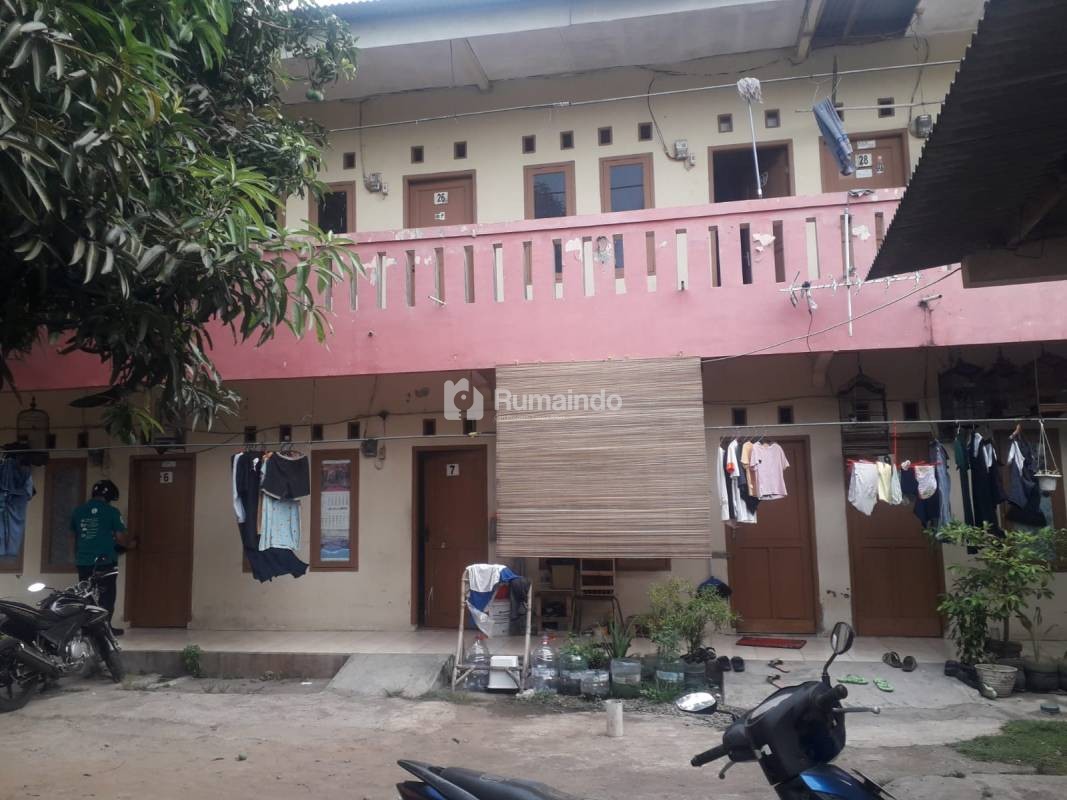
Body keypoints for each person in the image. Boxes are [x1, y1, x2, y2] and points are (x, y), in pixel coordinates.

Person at [72, 480, 134, 635]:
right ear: (110, 496)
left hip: (83, 562)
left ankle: (88, 628)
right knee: (107, 596)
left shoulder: (78, 511)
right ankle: (105, 629)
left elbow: (73, 538)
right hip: (105, 562)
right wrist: (130, 544)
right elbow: (120, 538)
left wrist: (79, 555)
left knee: (86, 594)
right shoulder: (111, 511)